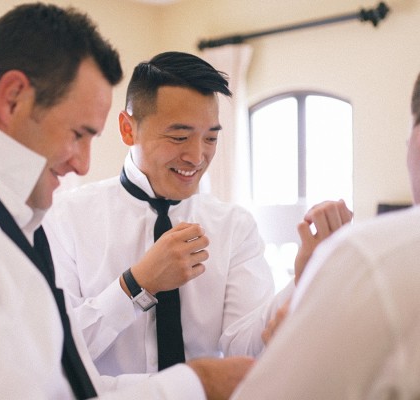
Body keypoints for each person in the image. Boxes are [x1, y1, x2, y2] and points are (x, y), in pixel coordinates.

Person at [0, 3, 254, 399]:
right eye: (77, 134)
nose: (82, 165)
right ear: (12, 99)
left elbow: (63, 381)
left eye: (211, 138)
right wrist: (192, 386)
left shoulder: (13, 219)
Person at [43, 51, 353, 376]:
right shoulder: (64, 218)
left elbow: (246, 349)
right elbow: (57, 352)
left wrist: (303, 279)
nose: (197, 156)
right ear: (127, 129)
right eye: (179, 137)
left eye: (211, 138)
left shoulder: (235, 227)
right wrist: (137, 284)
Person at [230, 74, 420, 399]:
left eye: (211, 138)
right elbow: (234, 342)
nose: (196, 154)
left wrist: (288, 347)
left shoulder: (369, 258)